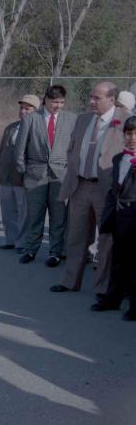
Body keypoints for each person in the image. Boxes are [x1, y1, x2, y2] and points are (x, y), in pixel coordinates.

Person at [51, 81, 123, 297]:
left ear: (111, 99)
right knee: (76, 235)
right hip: (80, 185)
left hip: (106, 189)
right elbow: (73, 150)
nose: (91, 101)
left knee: (106, 241)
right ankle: (70, 280)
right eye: (90, 97)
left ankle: (103, 288)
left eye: (97, 98)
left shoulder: (124, 121)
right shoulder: (83, 119)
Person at [13, 84, 77, 266]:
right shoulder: (32, 119)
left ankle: (55, 252)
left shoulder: (71, 119)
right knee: (35, 216)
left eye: (62, 102)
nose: (58, 106)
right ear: (46, 100)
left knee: (59, 217)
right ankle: (30, 249)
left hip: (60, 175)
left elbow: (75, 148)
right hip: (35, 174)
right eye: (55, 102)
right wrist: (25, 172)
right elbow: (19, 151)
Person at [92, 115, 136, 319]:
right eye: (128, 134)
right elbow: (114, 190)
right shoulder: (119, 158)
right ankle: (113, 298)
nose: (132, 138)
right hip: (119, 218)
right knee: (118, 261)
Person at [0, 95, 39, 252]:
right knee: (8, 210)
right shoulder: (11, 127)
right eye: (21, 107)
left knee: (24, 212)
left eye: (27, 108)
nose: (23, 111)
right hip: (5, 177)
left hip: (23, 178)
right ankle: (11, 240)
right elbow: (2, 151)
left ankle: (23, 243)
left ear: (36, 110)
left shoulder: (37, 129)